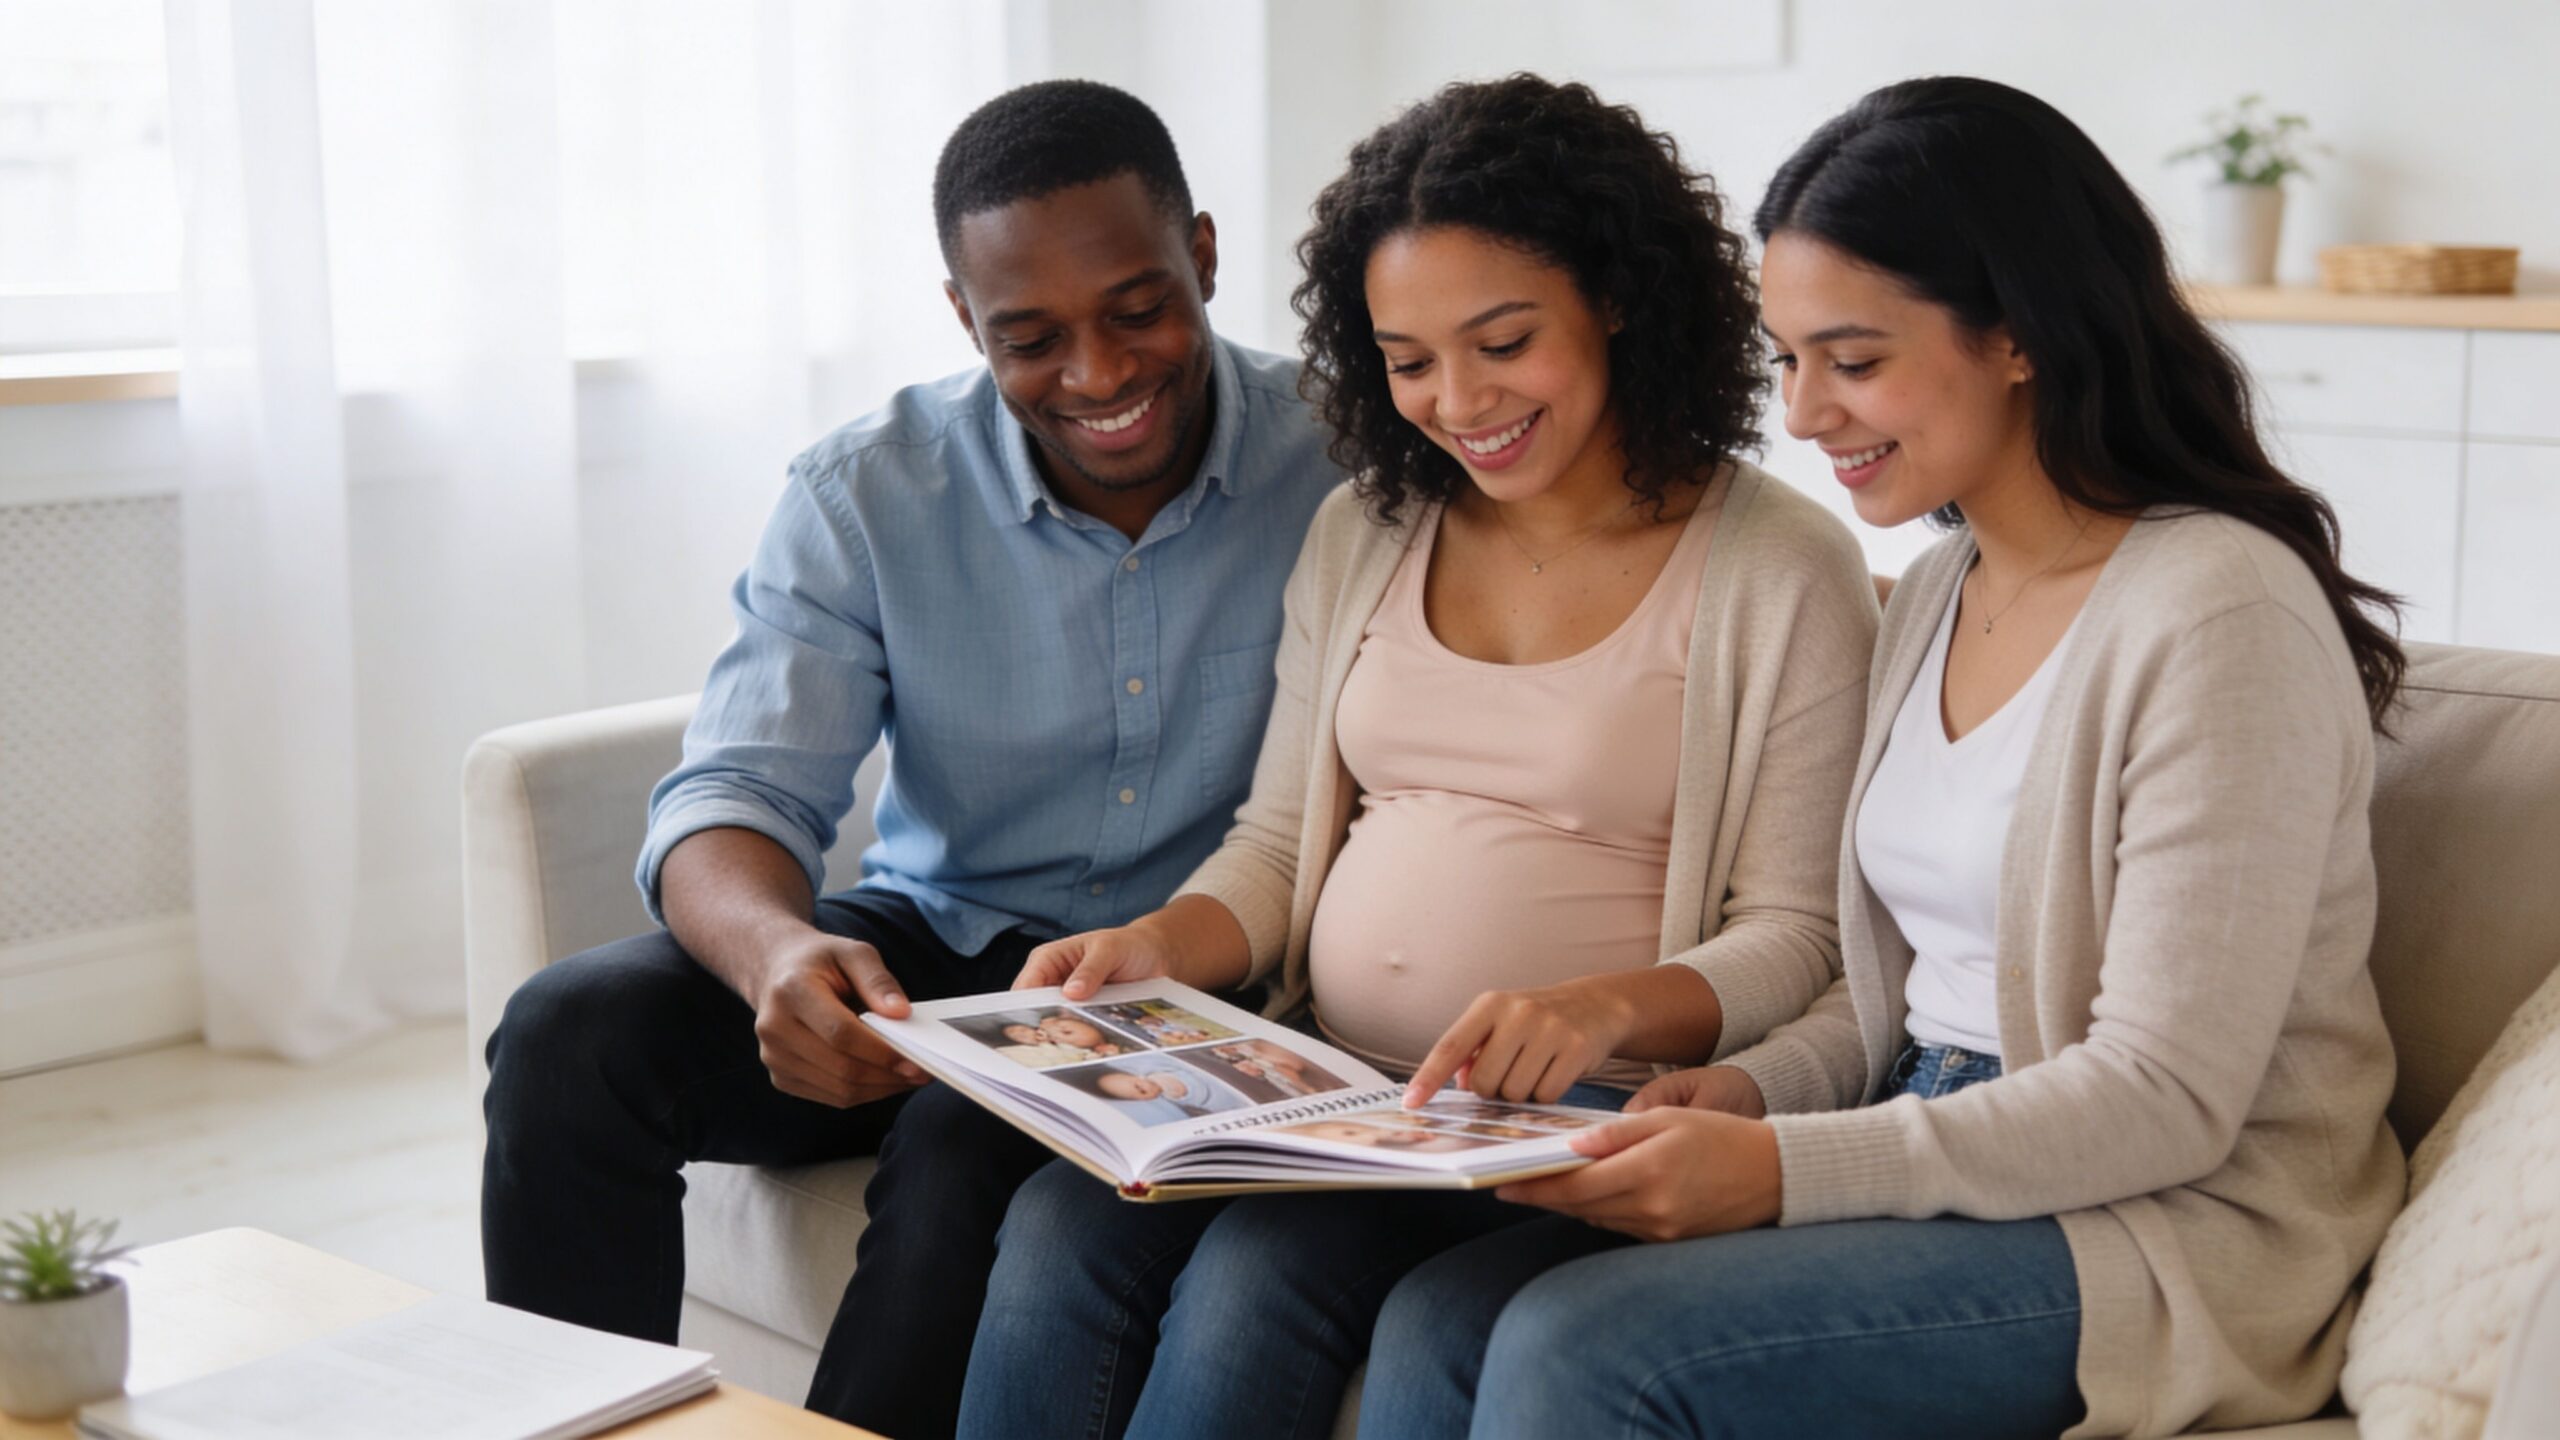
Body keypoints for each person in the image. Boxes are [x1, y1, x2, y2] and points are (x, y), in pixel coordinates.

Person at [1362, 76, 2409, 1440]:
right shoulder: (1932, 594)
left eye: (1852, 362)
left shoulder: (2217, 612)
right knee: (1442, 1312)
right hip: (1944, 1136)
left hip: (2158, 1225)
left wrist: (1779, 1169)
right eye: (1788, 359)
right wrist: (1746, 1093)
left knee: (1588, 1348)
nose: (1802, 415)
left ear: (2020, 334)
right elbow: (1899, 1002)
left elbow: (2164, 1101)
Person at [955, 75, 1880, 1440]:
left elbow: (1801, 936)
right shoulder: (1368, 529)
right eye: (1408, 359)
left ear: (1614, 299)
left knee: (1264, 1275)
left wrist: (1599, 1010)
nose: (1458, 400)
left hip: (1565, 1117)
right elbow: (1278, 846)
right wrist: (1155, 944)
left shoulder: (1781, 569)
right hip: (1331, 1089)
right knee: (1053, 1219)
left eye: (1503, 341)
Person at [477, 79, 1340, 1438]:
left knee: (967, 1145)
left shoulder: (1357, 461)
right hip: (934, 955)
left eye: (1137, 308)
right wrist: (777, 957)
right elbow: (736, 791)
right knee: (568, 1037)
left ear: (1207, 257)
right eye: (1032, 336)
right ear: (963, 319)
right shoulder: (867, 488)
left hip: (1206, 982)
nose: (1101, 374)